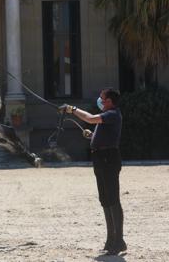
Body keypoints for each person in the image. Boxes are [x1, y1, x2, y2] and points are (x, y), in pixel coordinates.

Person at [60, 88, 127, 255]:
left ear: (110, 101)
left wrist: (72, 109)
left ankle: (118, 240)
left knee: (113, 199)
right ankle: (111, 239)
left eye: (102, 99)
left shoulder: (112, 114)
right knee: (105, 199)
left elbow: (90, 119)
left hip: (108, 158)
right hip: (100, 158)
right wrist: (92, 136)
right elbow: (103, 132)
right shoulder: (108, 115)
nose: (100, 101)